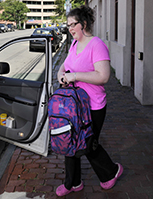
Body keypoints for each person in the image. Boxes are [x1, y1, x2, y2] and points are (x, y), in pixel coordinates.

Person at [56, 5, 123, 196]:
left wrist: (75, 76)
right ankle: (73, 183)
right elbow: (65, 65)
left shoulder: (97, 45)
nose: (69, 29)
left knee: (88, 144)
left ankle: (111, 171)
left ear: (83, 23)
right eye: (68, 25)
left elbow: (103, 76)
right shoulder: (74, 45)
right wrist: (61, 74)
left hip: (93, 106)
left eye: (72, 24)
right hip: (74, 105)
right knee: (70, 142)